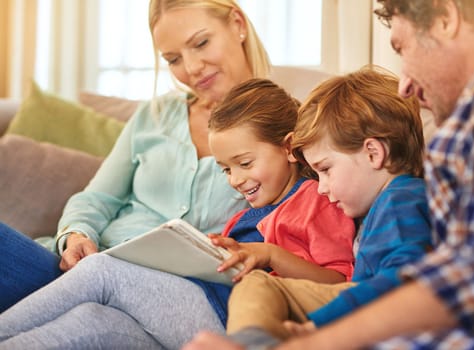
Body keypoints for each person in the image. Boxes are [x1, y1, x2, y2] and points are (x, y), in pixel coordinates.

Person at [183, 0, 474, 349]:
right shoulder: (471, 131)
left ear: (446, 18)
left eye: (401, 48)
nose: (404, 84)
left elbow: (439, 283)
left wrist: (314, 333)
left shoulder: (407, 194)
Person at [0, 78, 356, 349]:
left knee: (103, 271)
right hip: (191, 310)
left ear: (289, 147)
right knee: (89, 319)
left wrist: (270, 254)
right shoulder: (252, 212)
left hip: (228, 322)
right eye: (226, 170)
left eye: (244, 163)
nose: (235, 180)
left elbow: (341, 285)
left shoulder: (317, 199)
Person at [0, 0, 270, 313]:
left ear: (237, 24)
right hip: (78, 266)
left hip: (153, 296)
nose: (192, 68)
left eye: (201, 43)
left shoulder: (284, 128)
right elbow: (97, 198)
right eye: (173, 59)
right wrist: (76, 236)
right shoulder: (154, 116)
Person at [217, 67, 433, 348]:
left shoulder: (402, 200)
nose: (320, 187)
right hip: (358, 303)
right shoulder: (381, 206)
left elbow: (405, 280)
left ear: (373, 153)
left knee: (259, 285)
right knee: (258, 284)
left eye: (326, 170)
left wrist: (319, 324)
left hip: (376, 310)